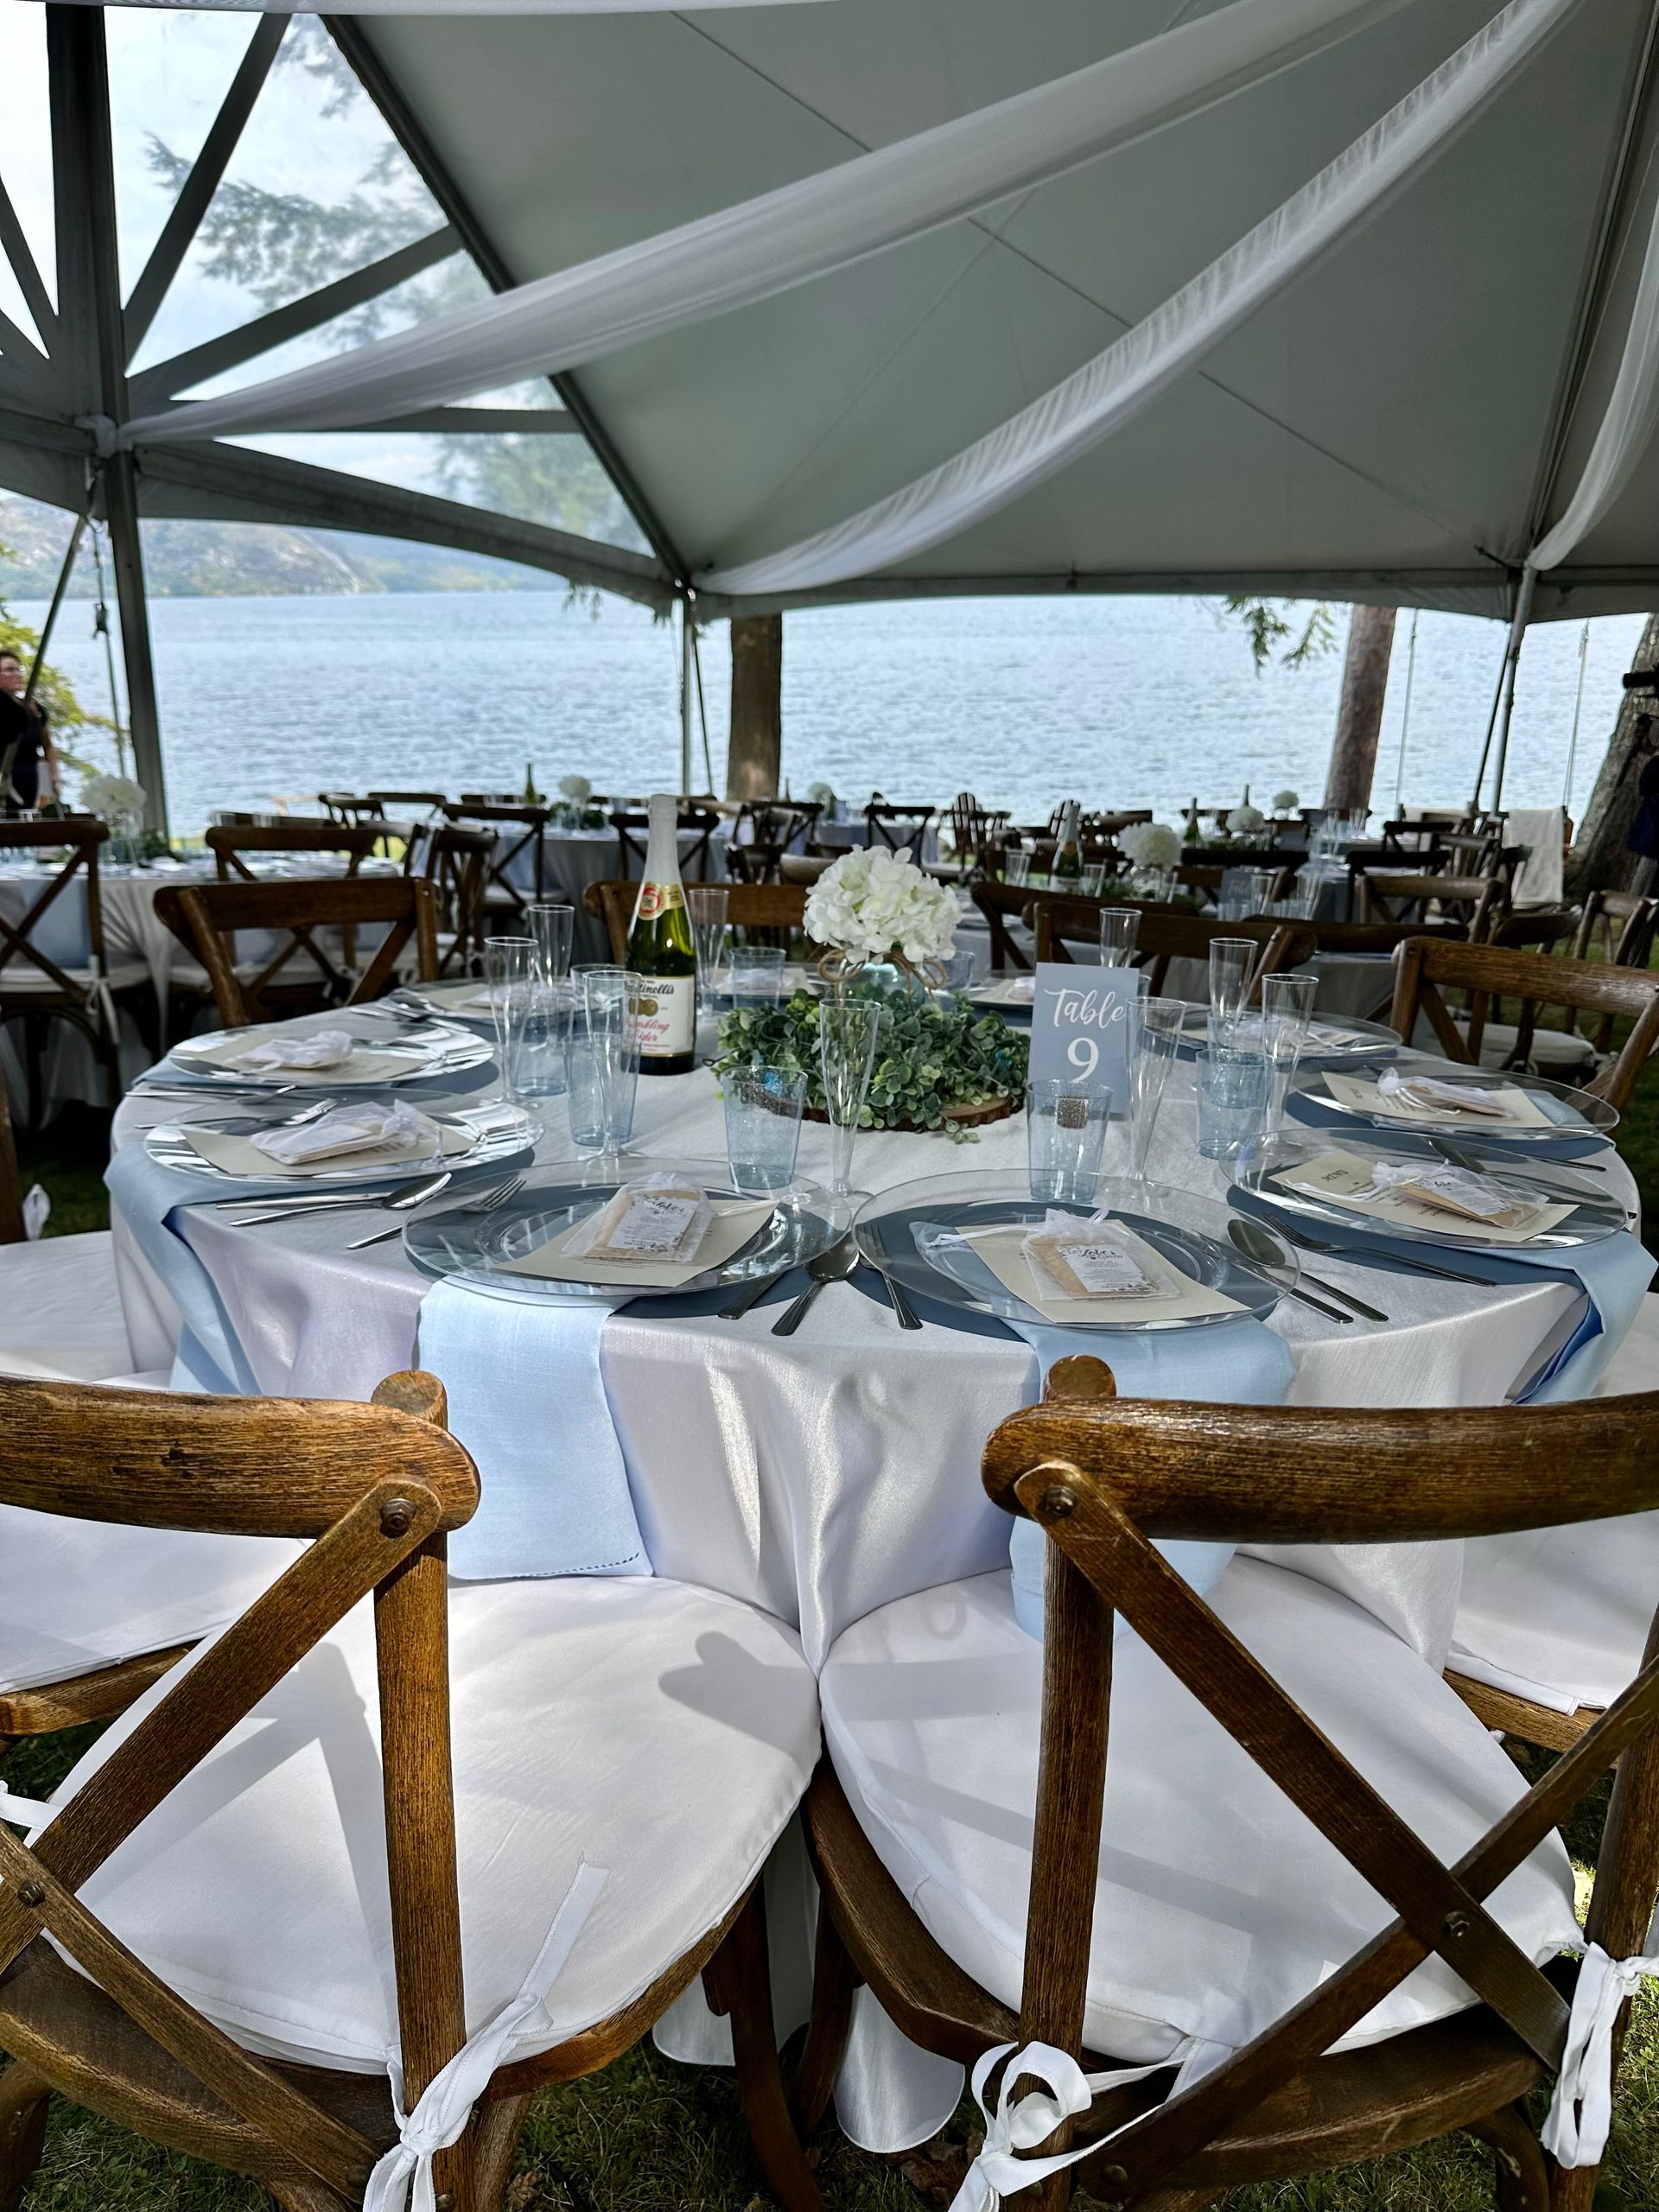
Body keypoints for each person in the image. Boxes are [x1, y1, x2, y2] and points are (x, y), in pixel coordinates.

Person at [0, 649, 61, 813]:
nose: (17, 674)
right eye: (9, 670)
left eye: (18, 669)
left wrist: (55, 778)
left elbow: (48, 746)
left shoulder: (34, 710)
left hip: (30, 781)